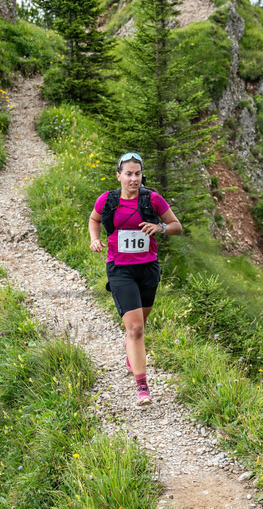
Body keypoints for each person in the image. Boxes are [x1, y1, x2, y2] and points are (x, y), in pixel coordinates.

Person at [89, 152, 182, 406]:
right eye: (128, 174)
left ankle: (131, 347)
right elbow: (94, 219)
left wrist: (160, 228)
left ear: (142, 176)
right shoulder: (107, 200)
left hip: (148, 268)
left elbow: (177, 226)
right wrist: (94, 239)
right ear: (118, 175)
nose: (133, 179)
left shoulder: (152, 199)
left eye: (137, 174)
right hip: (120, 269)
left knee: (142, 319)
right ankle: (142, 387)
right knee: (136, 328)